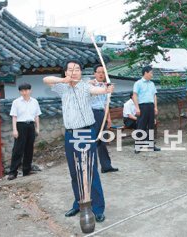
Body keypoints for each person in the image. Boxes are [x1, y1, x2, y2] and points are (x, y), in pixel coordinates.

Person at [43, 59, 114, 223]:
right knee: (75, 172)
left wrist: (107, 89)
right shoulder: (62, 87)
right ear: (66, 72)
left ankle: (97, 208)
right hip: (70, 134)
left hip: (86, 132)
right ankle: (79, 204)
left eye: (77, 69)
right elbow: (46, 80)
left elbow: (98, 90)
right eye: (70, 69)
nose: (74, 71)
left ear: (81, 72)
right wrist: (63, 80)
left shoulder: (85, 86)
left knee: (90, 171)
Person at [7, 83, 41, 181]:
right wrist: (14, 129)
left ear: (30, 90)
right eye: (22, 90)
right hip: (20, 126)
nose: (24, 92)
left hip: (31, 125)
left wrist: (37, 128)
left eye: (26, 90)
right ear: (20, 92)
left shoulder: (34, 102)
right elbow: (14, 116)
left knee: (29, 149)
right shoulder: (16, 102)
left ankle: (27, 170)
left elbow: (36, 116)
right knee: (18, 149)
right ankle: (13, 172)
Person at [90, 65, 119, 173]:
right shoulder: (90, 85)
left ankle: (106, 166)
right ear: (94, 73)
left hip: (102, 113)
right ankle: (91, 166)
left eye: (103, 72)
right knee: (93, 140)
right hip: (92, 114)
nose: (101, 74)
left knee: (102, 141)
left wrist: (109, 119)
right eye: (99, 72)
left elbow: (106, 104)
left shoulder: (107, 86)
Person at [132, 65, 160, 153]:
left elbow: (154, 95)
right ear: (145, 73)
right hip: (142, 106)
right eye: (151, 73)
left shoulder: (152, 84)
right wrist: (137, 108)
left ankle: (151, 145)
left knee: (151, 126)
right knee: (141, 126)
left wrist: (155, 107)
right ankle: (138, 146)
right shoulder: (138, 83)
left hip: (151, 106)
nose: (152, 75)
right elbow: (135, 96)